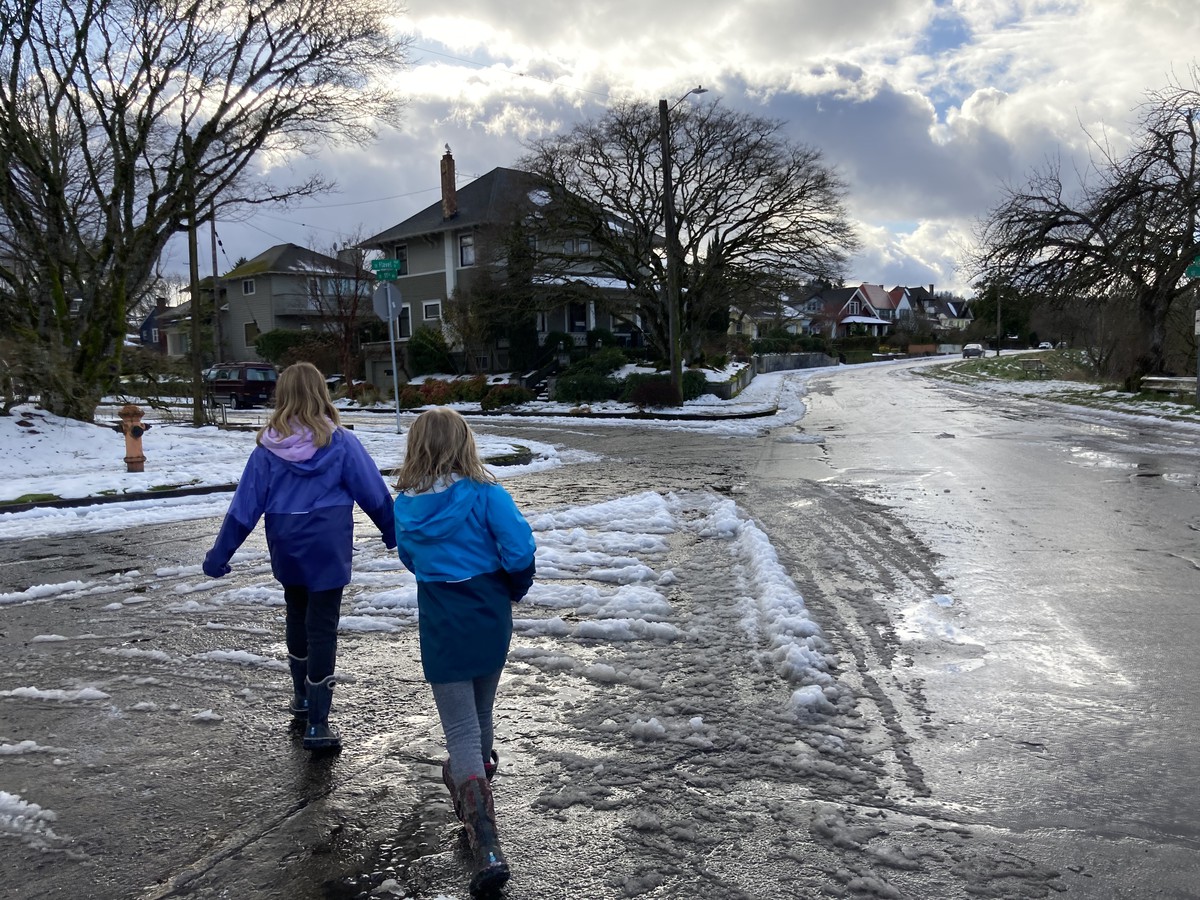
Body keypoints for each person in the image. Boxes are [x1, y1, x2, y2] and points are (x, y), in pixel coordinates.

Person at [202, 361, 396, 752]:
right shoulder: (341, 442)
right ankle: (318, 725)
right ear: (321, 393)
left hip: (286, 540)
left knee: (296, 610)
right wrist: (395, 535)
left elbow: (243, 509)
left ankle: (302, 698)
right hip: (327, 543)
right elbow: (374, 494)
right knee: (322, 626)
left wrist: (219, 555)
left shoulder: (267, 449)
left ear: (283, 395)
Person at [392, 407, 535, 896]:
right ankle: (479, 797)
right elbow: (519, 549)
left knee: (459, 729)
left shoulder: (405, 506)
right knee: (481, 713)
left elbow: (410, 558)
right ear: (465, 443)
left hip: (440, 617)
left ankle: (486, 841)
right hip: (488, 611)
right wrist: (514, 587)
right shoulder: (487, 494)